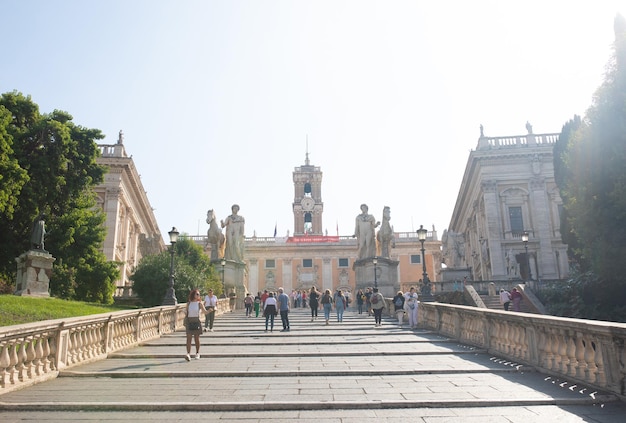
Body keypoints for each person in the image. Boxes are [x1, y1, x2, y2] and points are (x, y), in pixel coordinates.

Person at [185, 289, 208, 361]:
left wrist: (210, 310)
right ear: (193, 295)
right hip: (189, 321)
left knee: (196, 338)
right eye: (197, 294)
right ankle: (188, 354)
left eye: (199, 294)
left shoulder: (199, 304)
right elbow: (187, 312)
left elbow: (205, 312)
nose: (198, 295)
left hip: (196, 321)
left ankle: (197, 353)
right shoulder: (189, 303)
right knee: (188, 338)